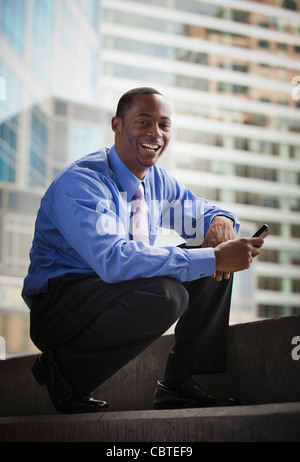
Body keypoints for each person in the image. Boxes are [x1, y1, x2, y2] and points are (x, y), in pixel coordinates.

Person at [22, 87, 263, 414]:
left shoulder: (158, 182)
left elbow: (198, 214)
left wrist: (219, 221)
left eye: (164, 125)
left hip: (111, 291)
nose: (156, 133)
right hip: (61, 305)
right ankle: (63, 371)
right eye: (144, 122)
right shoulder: (83, 182)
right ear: (117, 125)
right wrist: (215, 258)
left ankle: (179, 384)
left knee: (207, 251)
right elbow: (113, 260)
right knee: (169, 293)